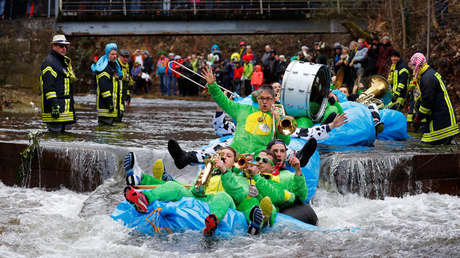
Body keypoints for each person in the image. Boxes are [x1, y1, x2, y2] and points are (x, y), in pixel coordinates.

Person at [124, 147, 238, 236]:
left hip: (222, 202)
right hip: (202, 199)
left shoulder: (239, 177)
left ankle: (213, 222)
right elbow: (194, 191)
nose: (224, 158)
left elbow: (238, 194)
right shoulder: (209, 171)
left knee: (222, 195)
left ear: (234, 162)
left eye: (229, 156)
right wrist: (205, 176)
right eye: (222, 155)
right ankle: (144, 198)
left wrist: (224, 170)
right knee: (174, 186)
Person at [409, 53, 459, 144]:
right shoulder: (428, 74)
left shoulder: (427, 78)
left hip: (441, 119)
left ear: (417, 65)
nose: (412, 69)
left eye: (413, 66)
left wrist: (418, 117)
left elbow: (427, 101)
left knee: (428, 147)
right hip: (440, 116)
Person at [40, 35, 76, 133]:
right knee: (54, 138)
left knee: (61, 140)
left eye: (65, 46)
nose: (64, 48)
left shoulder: (62, 62)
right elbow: (48, 87)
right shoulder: (49, 62)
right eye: (61, 46)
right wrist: (54, 105)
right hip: (55, 110)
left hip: (63, 110)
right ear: (54, 46)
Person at [92, 43, 123, 125]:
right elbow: (104, 88)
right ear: (107, 54)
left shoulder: (115, 67)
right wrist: (110, 103)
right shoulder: (104, 68)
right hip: (105, 108)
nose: (115, 56)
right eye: (112, 54)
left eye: (116, 54)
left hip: (112, 108)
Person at [117, 49, 134, 120]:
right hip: (116, 95)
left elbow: (128, 81)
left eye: (127, 57)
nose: (126, 59)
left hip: (123, 94)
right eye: (124, 57)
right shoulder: (116, 65)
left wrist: (128, 94)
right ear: (119, 56)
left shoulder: (127, 66)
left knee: (121, 115)